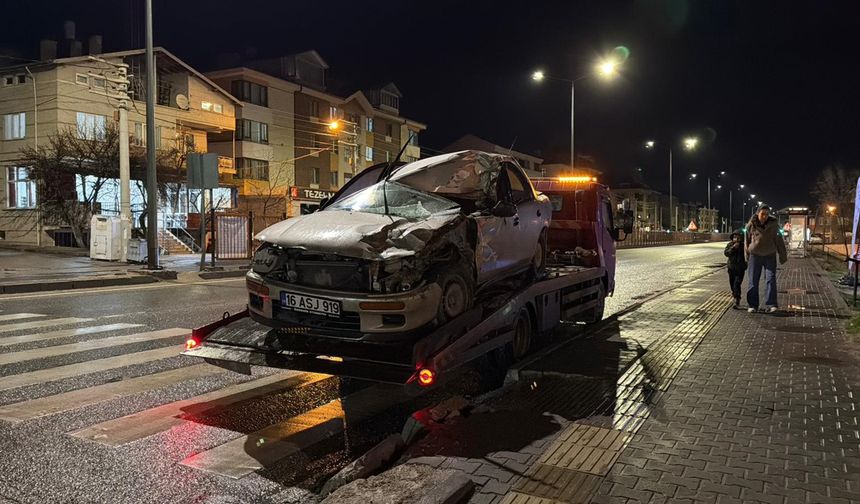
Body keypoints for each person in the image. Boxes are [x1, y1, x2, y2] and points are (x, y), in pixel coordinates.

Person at [745, 204, 788, 313]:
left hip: (770, 255)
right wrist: (747, 255)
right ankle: (753, 305)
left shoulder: (774, 225)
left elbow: (779, 240)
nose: (764, 216)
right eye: (762, 214)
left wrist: (783, 255)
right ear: (758, 213)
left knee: (770, 279)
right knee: (753, 280)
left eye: (767, 214)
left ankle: (771, 304)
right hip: (755, 255)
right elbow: (747, 241)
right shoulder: (751, 225)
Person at [724, 232, 746, 307]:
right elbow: (726, 253)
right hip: (731, 268)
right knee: (732, 284)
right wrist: (733, 248)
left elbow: (747, 254)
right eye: (734, 237)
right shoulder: (730, 244)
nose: (736, 238)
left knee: (737, 284)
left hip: (740, 269)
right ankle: (735, 295)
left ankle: (737, 299)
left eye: (737, 237)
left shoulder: (743, 245)